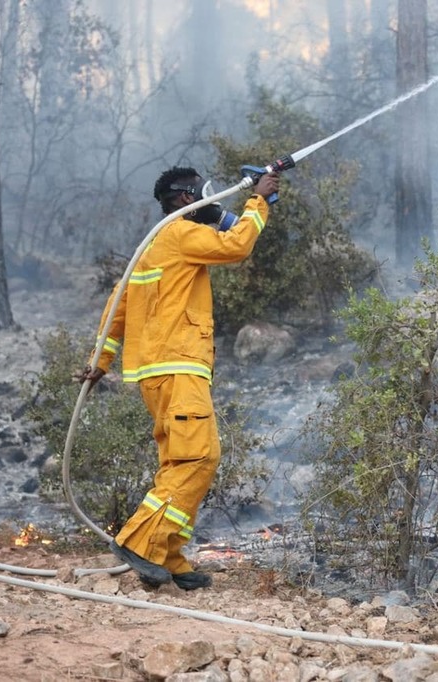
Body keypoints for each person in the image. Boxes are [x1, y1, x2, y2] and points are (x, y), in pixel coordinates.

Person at [77, 166, 280, 590]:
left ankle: (168, 556)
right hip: (179, 365)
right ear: (187, 199)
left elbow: (120, 304)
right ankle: (140, 541)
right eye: (204, 194)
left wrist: (102, 361)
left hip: (156, 373)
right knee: (198, 458)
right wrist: (258, 199)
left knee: (179, 462)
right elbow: (238, 245)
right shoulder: (180, 236)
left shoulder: (154, 244)